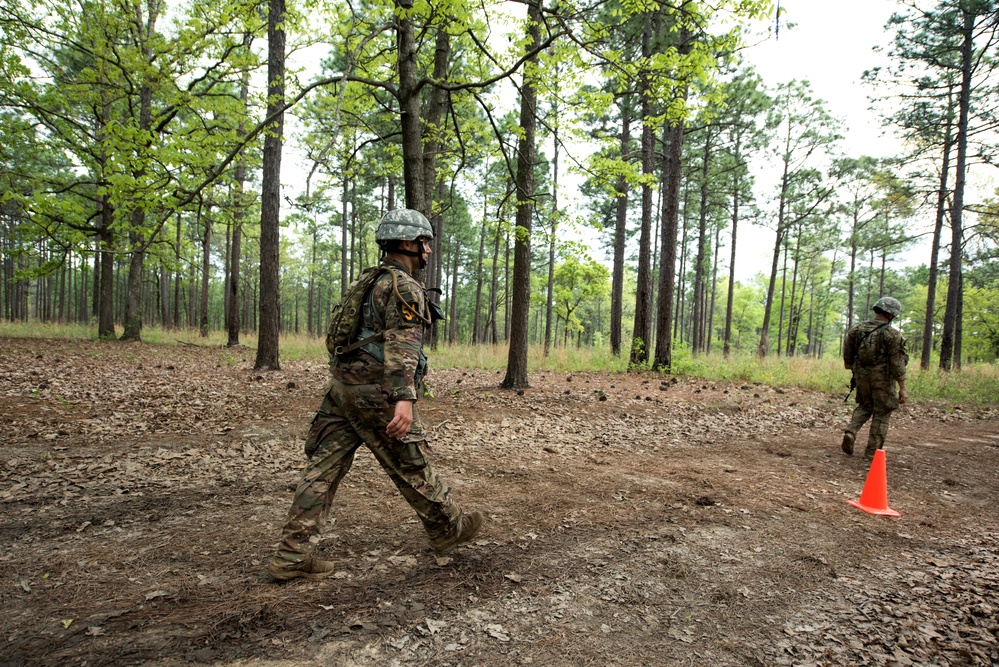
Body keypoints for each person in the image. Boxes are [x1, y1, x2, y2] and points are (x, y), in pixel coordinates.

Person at [267, 208, 483, 581]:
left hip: (341, 390)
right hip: (376, 394)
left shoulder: (367, 281)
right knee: (411, 463)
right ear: (405, 243)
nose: (428, 249)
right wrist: (404, 397)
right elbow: (403, 345)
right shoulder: (403, 287)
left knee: (322, 469)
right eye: (423, 242)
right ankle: (448, 527)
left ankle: (291, 555)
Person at [840, 296, 909, 459]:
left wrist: (856, 371)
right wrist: (903, 388)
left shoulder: (856, 330)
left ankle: (851, 431)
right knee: (883, 411)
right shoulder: (892, 335)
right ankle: (871, 452)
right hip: (883, 380)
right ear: (891, 314)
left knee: (865, 406)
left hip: (862, 377)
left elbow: (848, 355)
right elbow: (898, 363)